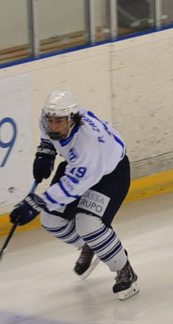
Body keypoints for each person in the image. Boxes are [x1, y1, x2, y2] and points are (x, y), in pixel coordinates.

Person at [9, 91, 139, 300]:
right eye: (50, 121)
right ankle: (90, 245)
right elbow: (47, 136)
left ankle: (124, 270)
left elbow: (71, 188)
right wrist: (45, 152)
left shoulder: (89, 144)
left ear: (73, 120)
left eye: (59, 121)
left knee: (88, 224)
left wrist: (35, 203)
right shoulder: (51, 118)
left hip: (110, 175)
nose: (53, 126)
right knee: (50, 219)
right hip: (75, 167)